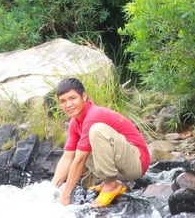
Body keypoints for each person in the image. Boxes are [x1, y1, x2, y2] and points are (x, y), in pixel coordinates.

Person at [51, 77, 150, 207]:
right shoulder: (74, 123)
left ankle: (111, 185)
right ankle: (108, 181)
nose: (68, 104)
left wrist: (65, 195)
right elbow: (67, 157)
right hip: (120, 169)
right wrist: (51, 190)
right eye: (63, 101)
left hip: (136, 163)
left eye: (72, 98)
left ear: (84, 96)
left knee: (96, 130)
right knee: (82, 146)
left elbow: (80, 160)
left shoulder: (94, 115)